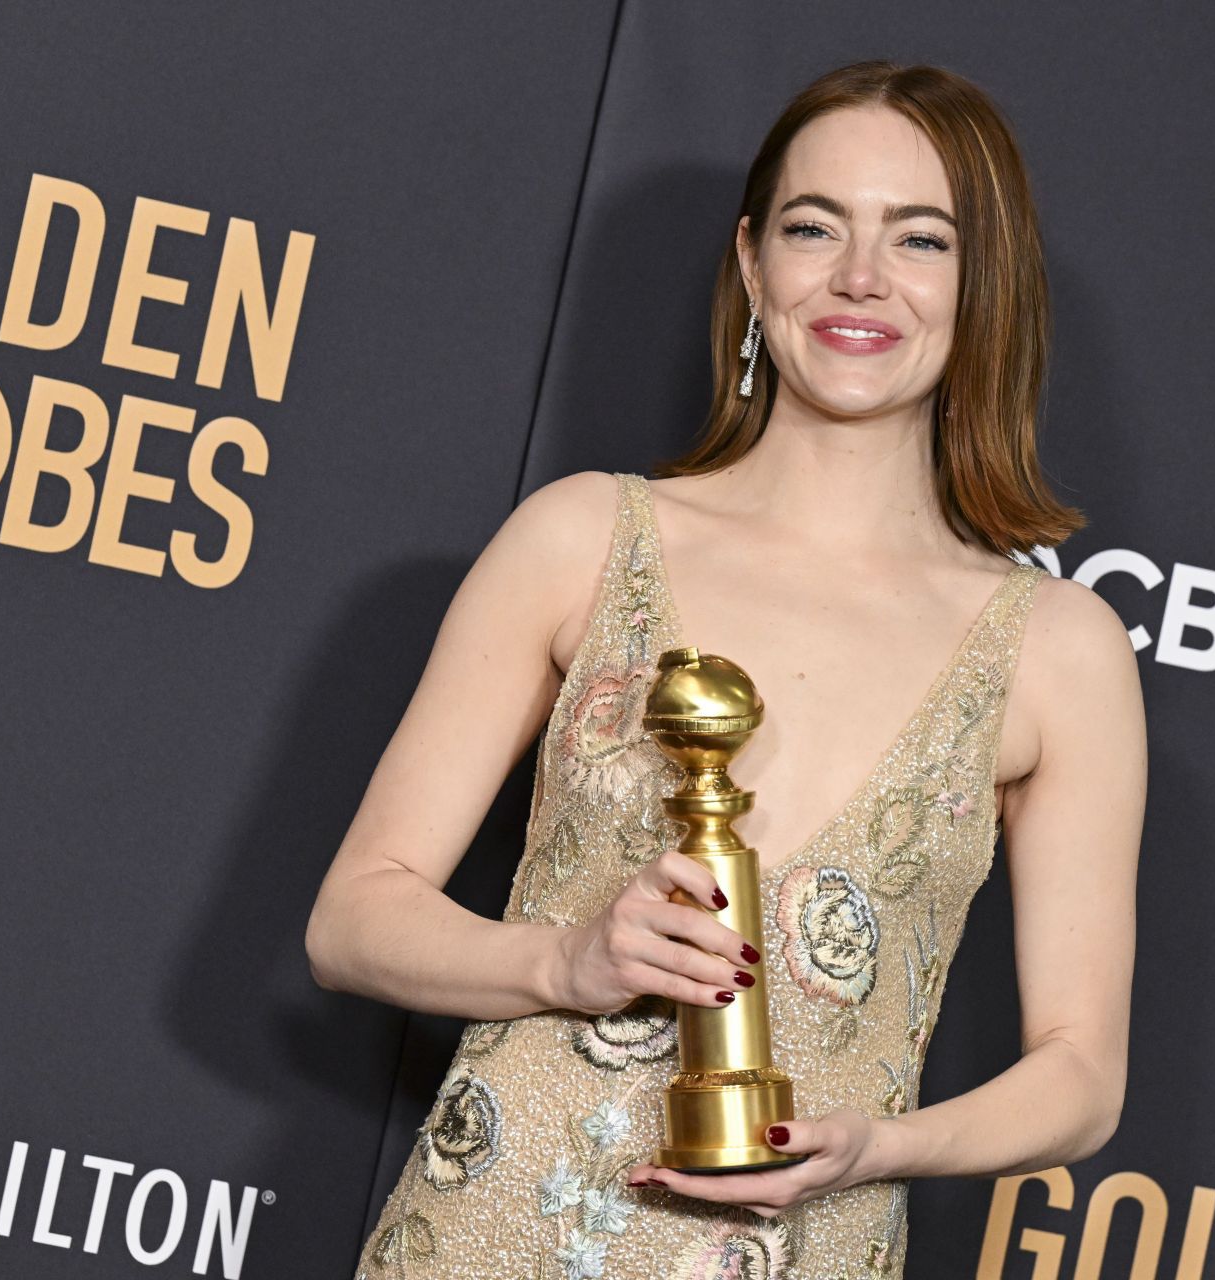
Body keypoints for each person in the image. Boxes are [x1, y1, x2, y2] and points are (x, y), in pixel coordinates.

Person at [305, 59, 1145, 1280]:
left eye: (922, 239)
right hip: (494, 1230)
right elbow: (352, 917)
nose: (861, 278)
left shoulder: (1059, 650)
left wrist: (876, 1145)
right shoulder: (583, 539)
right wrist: (560, 959)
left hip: (807, 1245)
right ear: (755, 266)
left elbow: (1081, 1074)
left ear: (985, 285)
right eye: (817, 228)